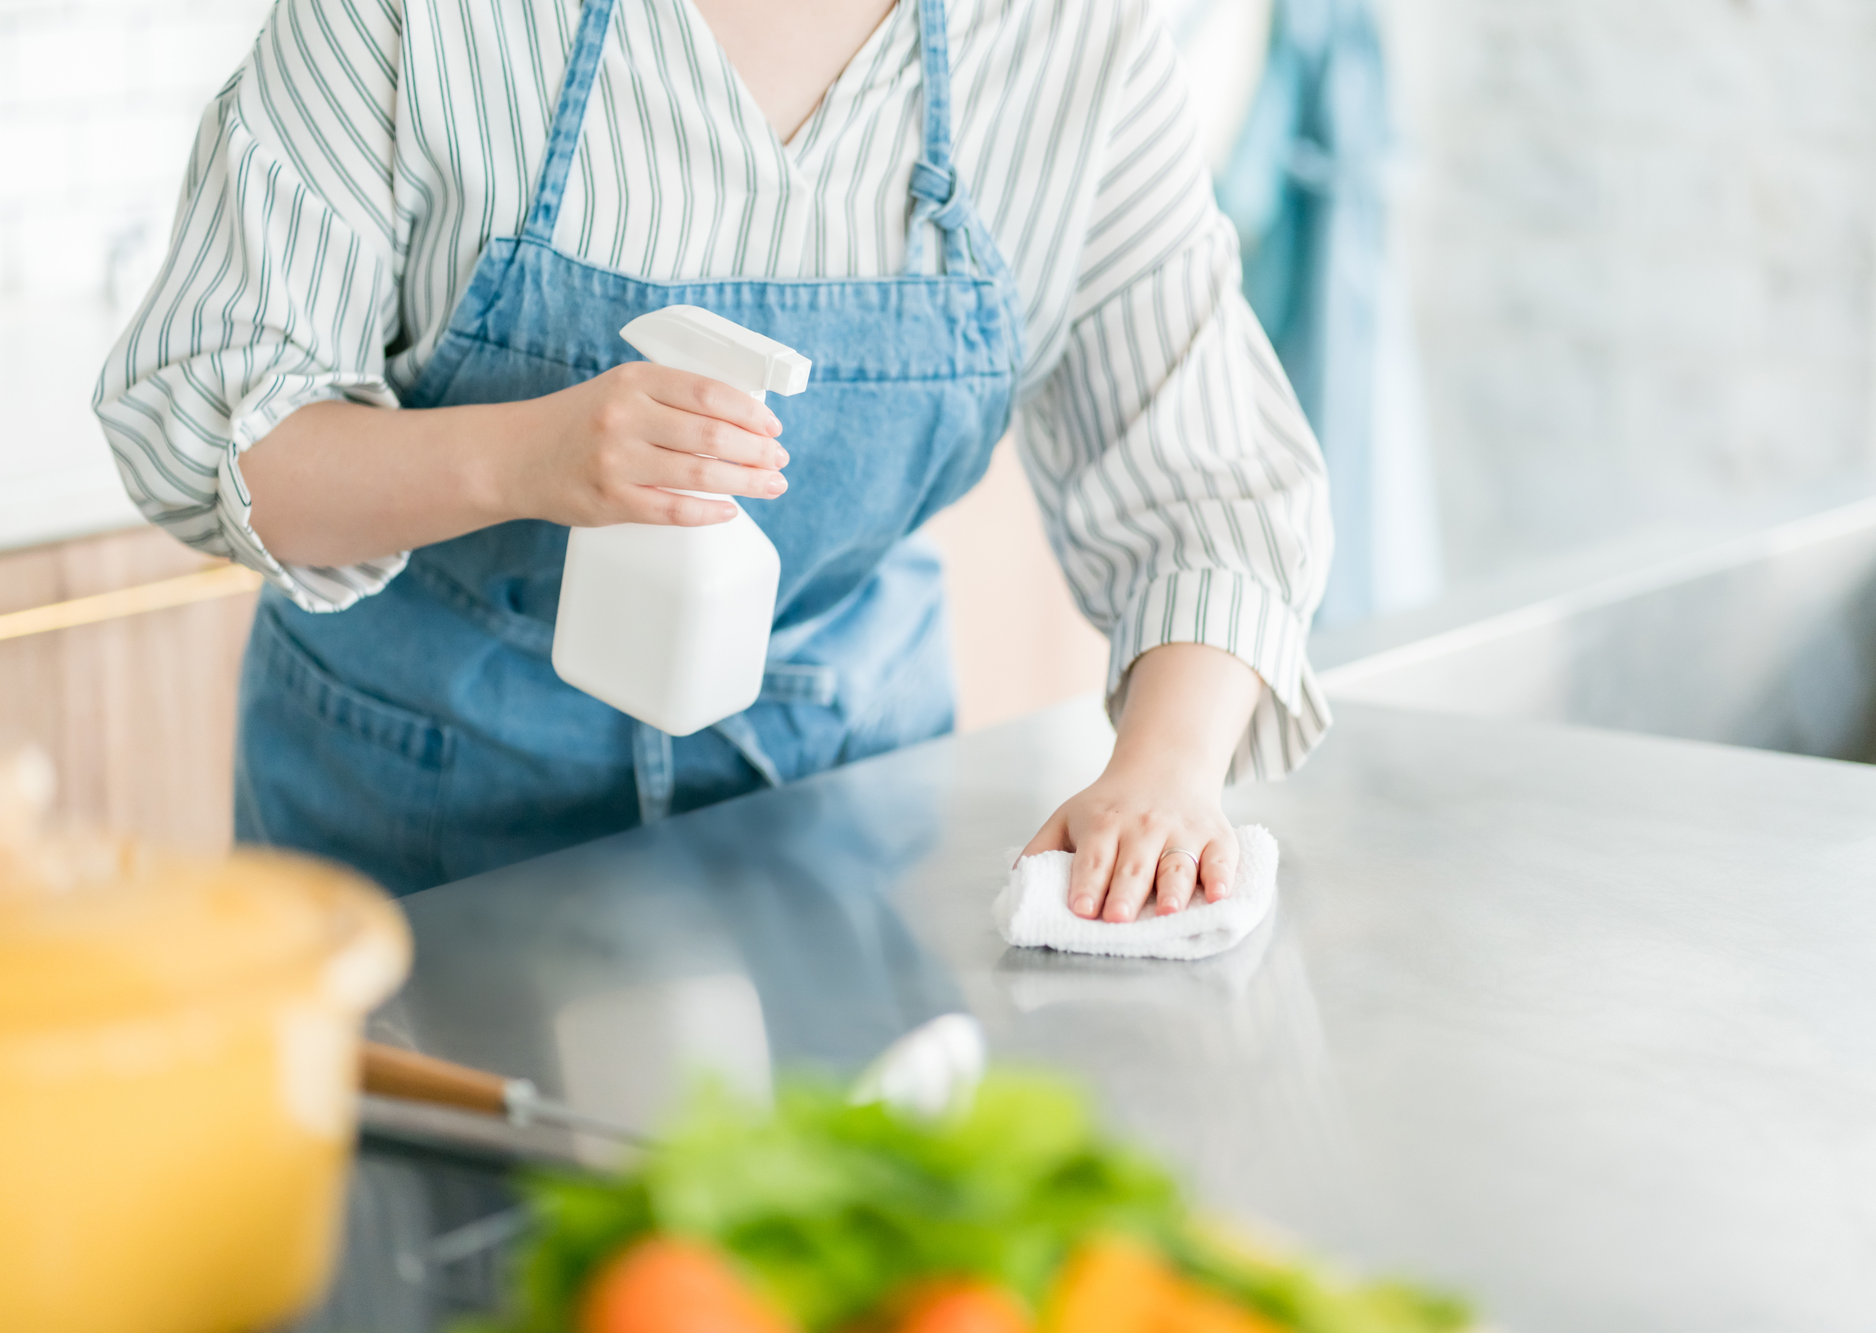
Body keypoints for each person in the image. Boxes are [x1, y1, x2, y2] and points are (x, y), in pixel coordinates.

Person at [95, 0, 1332, 921]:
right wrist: (526, 455)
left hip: (842, 813)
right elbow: (209, 423)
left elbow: (1208, 491)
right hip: (414, 819)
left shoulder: (1076, 46)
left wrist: (1165, 771)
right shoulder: (420, 21)